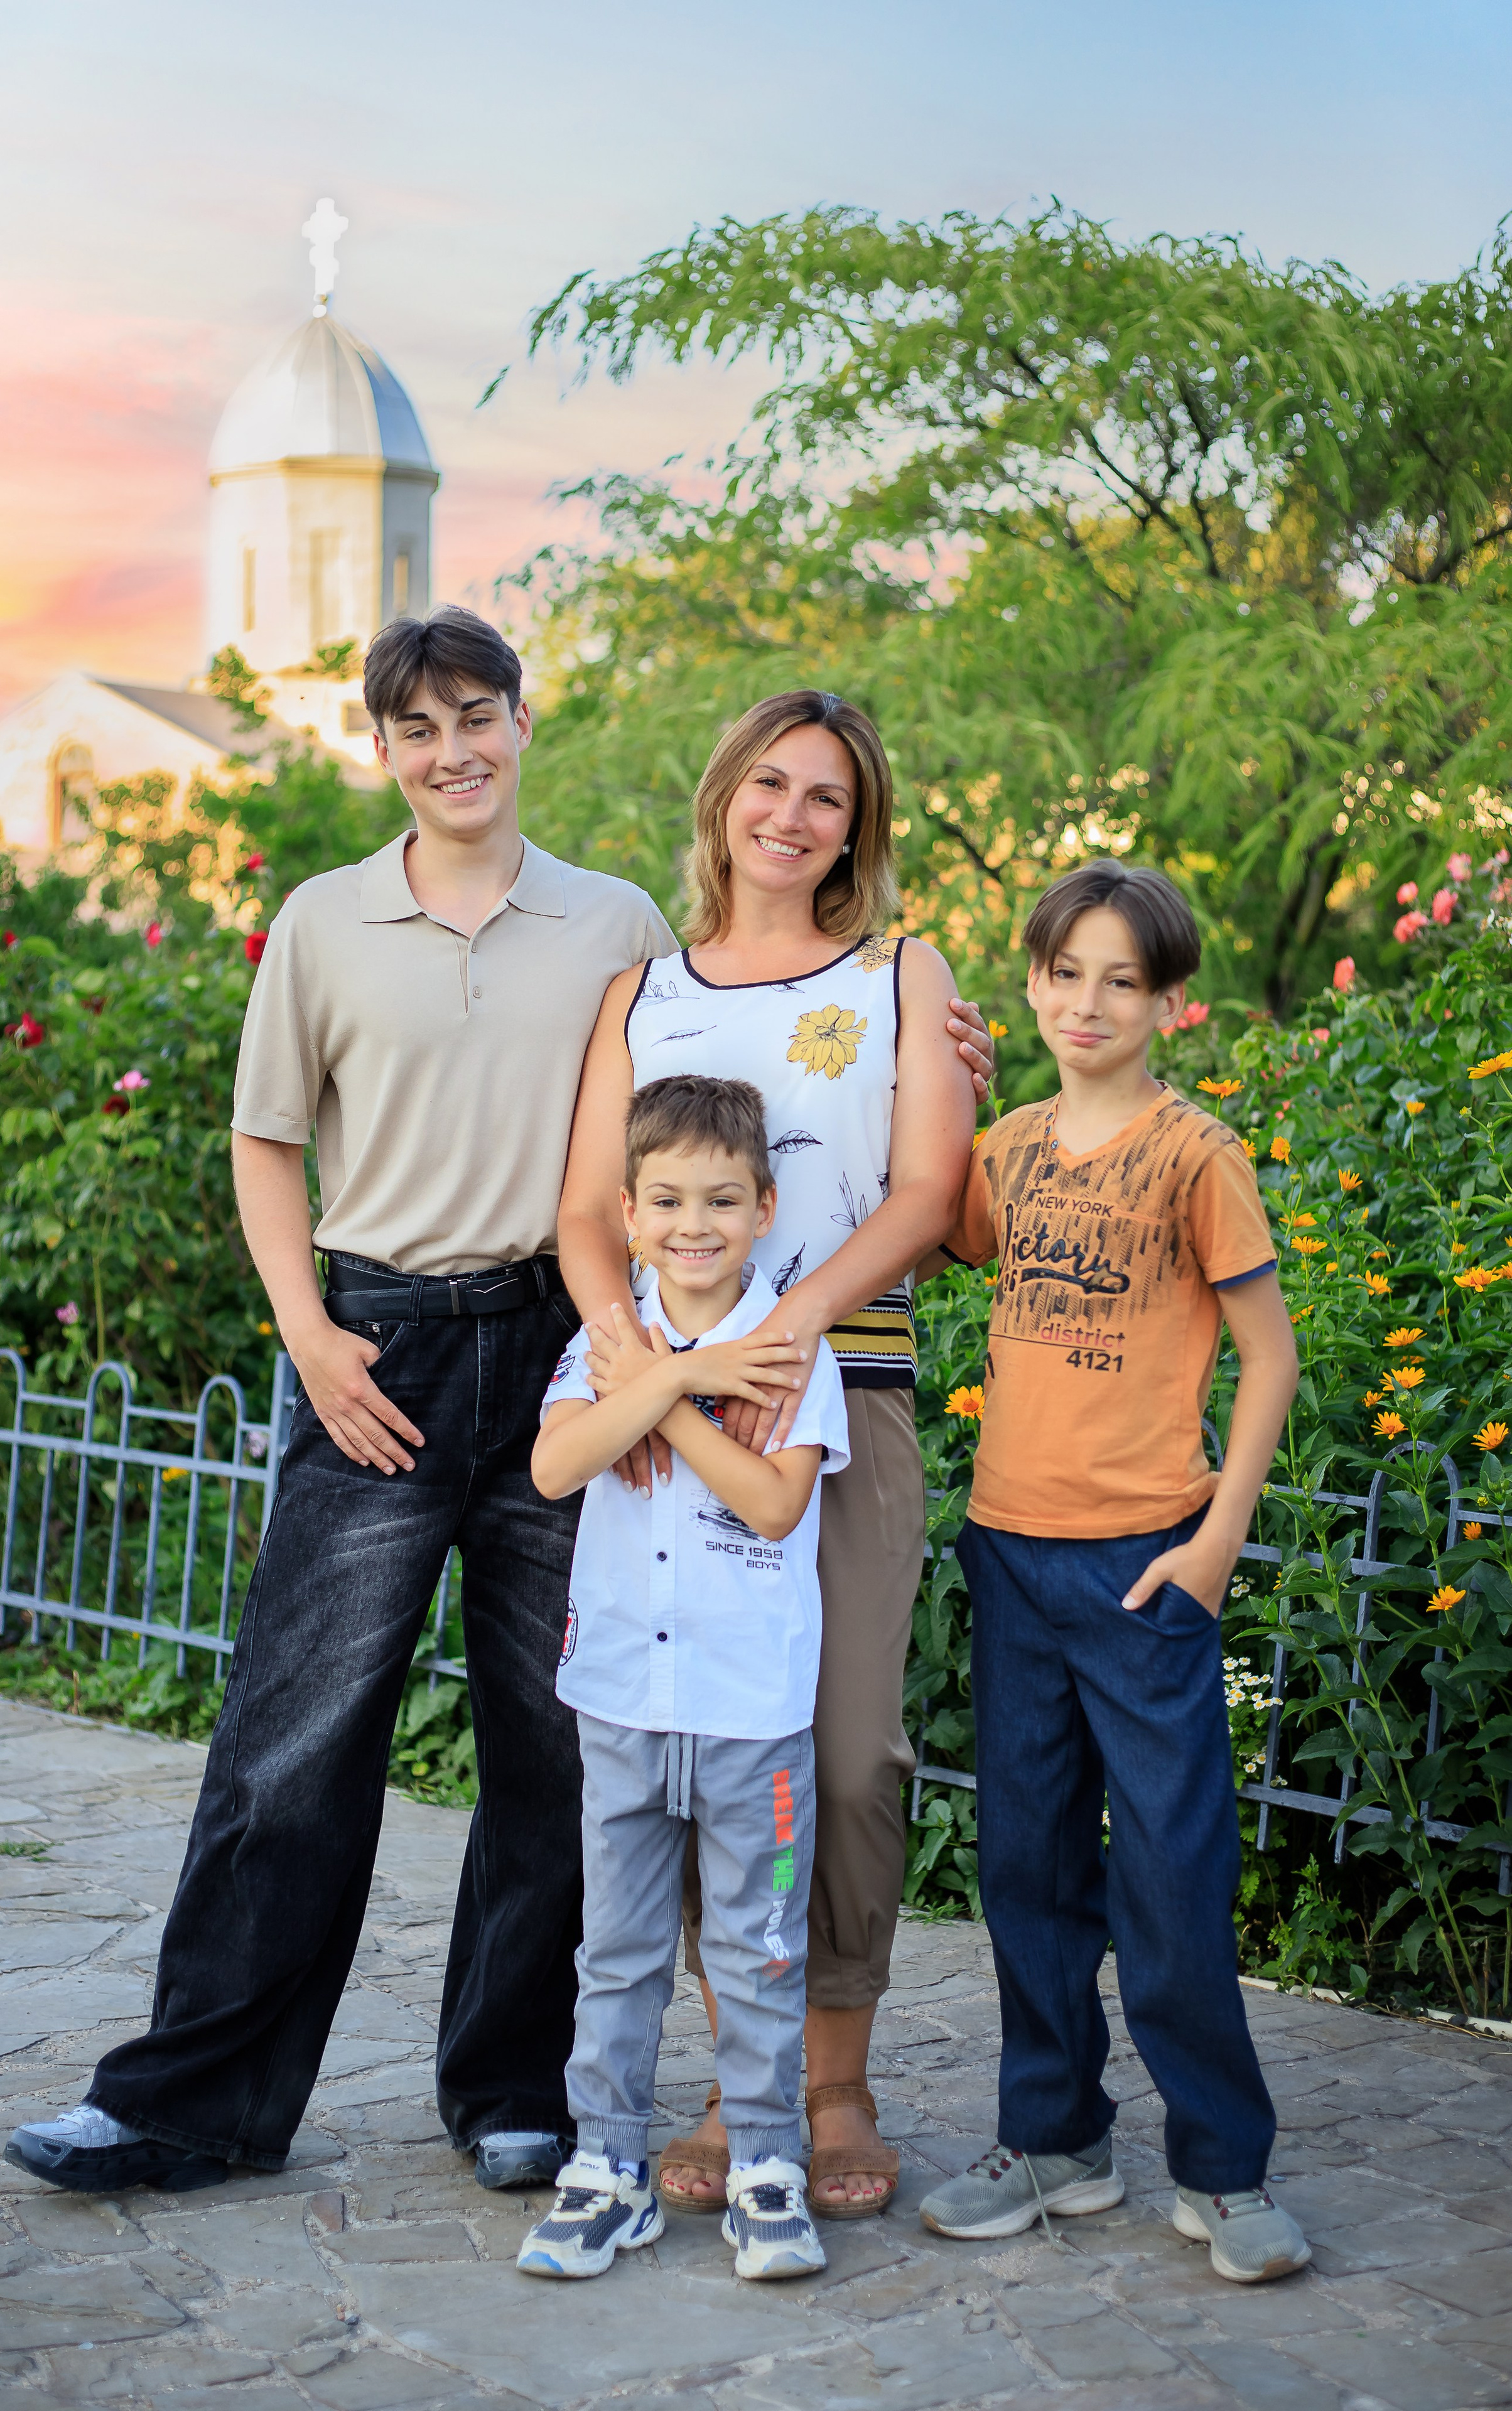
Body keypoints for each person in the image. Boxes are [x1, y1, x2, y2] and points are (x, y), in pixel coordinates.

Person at [3, 615, 995, 2199]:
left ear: (521, 725)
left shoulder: (606, 926)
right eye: (416, 727)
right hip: (391, 1345)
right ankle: (192, 2100)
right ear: (383, 749)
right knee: (292, 1738)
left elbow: (837, 1120)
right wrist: (315, 1337)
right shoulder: (328, 921)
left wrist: (953, 1064)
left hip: (573, 1337)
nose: (450, 749)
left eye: (477, 716)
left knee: (560, 1745)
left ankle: (515, 2093)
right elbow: (279, 1146)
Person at [558, 691, 975, 2218]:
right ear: (724, 794)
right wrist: (648, 1374)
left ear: (855, 828)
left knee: (850, 1752)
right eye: (769, 784)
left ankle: (835, 2080)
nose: (792, 816)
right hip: (669, 1412)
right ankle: (747, 2095)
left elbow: (927, 1192)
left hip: (837, 1393)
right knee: (700, 1743)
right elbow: (583, 1218)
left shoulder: (897, 973)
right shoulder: (639, 994)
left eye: (827, 797)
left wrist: (774, 1338)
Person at [916, 860, 1312, 2285]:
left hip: (1146, 1566)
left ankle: (1223, 2168)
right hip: (1011, 1552)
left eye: (1118, 981)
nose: (1086, 1002)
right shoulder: (1008, 1146)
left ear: (1169, 1006)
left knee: (1166, 1874)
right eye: (1062, 973)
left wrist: (1213, 1546)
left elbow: (1267, 1357)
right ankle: (1053, 2141)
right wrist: (949, 1086)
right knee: (1024, 1867)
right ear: (1030, 983)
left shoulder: (1195, 1153)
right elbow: (945, 1224)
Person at [517, 1075, 850, 2282]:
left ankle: (768, 2163)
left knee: (760, 1945)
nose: (694, 1223)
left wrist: (671, 1405)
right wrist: (664, 1378)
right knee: (618, 1950)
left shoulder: (789, 1354)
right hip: (620, 1709)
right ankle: (607, 2168)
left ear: (765, 1208)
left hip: (753, 1725)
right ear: (629, 1210)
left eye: (722, 1199)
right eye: (666, 1200)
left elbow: (772, 1506)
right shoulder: (603, 1346)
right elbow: (558, 1467)